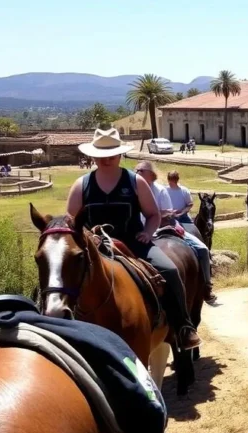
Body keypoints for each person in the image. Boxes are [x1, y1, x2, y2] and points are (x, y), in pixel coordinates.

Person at [67, 128, 200, 350]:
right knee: (60, 276)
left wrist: (148, 232)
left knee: (169, 270)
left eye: (111, 155)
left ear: (120, 155)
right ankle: (55, 323)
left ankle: (183, 327)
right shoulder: (81, 185)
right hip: (94, 249)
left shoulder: (135, 182)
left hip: (134, 243)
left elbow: (153, 214)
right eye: (101, 156)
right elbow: (71, 223)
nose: (106, 160)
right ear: (93, 156)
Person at [137, 163, 217, 305]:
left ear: (151, 175)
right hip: (138, 231)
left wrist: (154, 217)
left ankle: (206, 287)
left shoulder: (161, 191)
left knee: (203, 249)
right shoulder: (131, 190)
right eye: (135, 170)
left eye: (140, 170)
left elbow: (168, 213)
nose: (136, 172)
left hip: (162, 227)